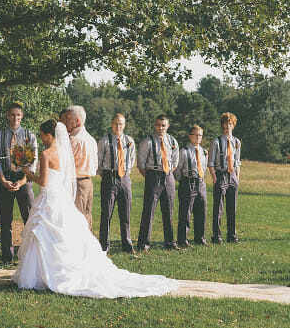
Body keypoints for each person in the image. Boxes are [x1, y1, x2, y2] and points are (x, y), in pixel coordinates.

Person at [13, 120, 177, 298]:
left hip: (49, 197)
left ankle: (40, 274)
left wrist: (27, 173)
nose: (41, 138)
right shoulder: (64, 152)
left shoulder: (46, 154)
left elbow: (43, 182)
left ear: (49, 135)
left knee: (42, 234)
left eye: (42, 135)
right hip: (60, 196)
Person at [0, 102, 38, 264]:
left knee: (29, 218)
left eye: (18, 115)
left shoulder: (29, 136)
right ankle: (7, 258)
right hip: (5, 177)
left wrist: (23, 181)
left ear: (22, 116)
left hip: (24, 178)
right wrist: (3, 180)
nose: (15, 118)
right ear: (7, 115)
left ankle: (31, 257)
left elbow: (32, 162)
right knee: (5, 220)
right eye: (12, 114)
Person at [136, 114, 180, 251]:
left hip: (168, 176)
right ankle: (143, 244)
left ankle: (170, 243)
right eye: (158, 125)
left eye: (163, 125)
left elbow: (175, 162)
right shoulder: (147, 142)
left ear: (168, 126)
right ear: (155, 125)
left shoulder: (172, 141)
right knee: (149, 211)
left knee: (168, 211)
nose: (161, 128)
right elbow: (141, 164)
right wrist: (152, 177)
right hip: (153, 176)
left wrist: (167, 173)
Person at [97, 114, 136, 253]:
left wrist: (125, 172)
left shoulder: (129, 141)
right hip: (109, 177)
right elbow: (98, 162)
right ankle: (104, 246)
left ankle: (127, 245)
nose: (118, 126)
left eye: (121, 124)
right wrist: (107, 175)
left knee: (125, 213)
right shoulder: (104, 141)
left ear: (124, 125)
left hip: (124, 178)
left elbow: (132, 159)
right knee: (106, 213)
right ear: (111, 124)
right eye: (115, 123)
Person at [208, 112, 241, 244]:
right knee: (218, 208)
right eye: (226, 124)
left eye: (230, 124)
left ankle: (232, 235)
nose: (228, 126)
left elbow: (237, 161)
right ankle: (217, 236)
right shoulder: (216, 142)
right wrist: (215, 178)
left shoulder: (237, 142)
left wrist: (237, 177)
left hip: (232, 176)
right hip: (220, 175)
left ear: (233, 125)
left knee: (232, 208)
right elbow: (210, 162)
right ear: (222, 125)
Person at [175, 125, 209, 247]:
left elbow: (204, 168)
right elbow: (177, 170)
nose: (198, 137)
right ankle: (182, 240)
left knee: (202, 211)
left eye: (200, 135)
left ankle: (200, 238)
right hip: (188, 182)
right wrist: (183, 182)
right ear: (190, 136)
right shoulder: (184, 151)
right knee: (185, 213)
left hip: (201, 182)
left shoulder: (204, 152)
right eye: (195, 135)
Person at [65, 105, 98, 230]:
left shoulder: (74, 140)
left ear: (77, 121)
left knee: (76, 220)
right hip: (88, 183)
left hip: (76, 184)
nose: (65, 121)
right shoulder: (91, 139)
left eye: (68, 118)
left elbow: (65, 165)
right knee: (87, 217)